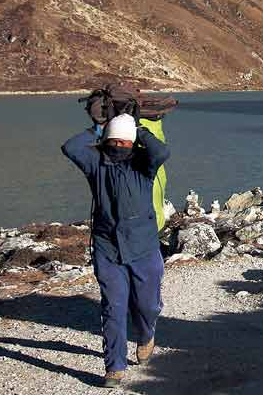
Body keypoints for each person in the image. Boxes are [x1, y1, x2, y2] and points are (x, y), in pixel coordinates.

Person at [62, 113, 170, 389]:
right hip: (107, 247)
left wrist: (139, 129)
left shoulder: (144, 164)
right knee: (113, 307)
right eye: (114, 141)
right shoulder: (96, 163)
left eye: (125, 142)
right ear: (107, 140)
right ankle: (114, 367)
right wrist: (96, 128)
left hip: (144, 247)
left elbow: (162, 151)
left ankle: (146, 336)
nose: (119, 146)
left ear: (132, 143)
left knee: (147, 306)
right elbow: (70, 147)